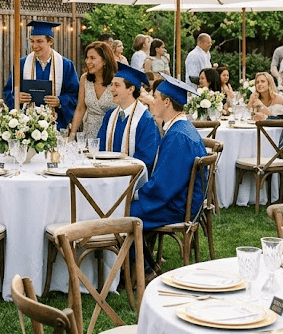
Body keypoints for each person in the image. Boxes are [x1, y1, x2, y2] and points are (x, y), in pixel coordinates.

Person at [130, 74, 207, 231]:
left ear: (167, 102)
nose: (152, 100)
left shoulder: (178, 136)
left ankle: (134, 255)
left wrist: (134, 193)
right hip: (178, 199)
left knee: (122, 213)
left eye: (155, 97)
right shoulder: (180, 128)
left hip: (177, 206)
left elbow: (164, 186)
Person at [3, 20, 79, 130]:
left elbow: (74, 94)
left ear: (50, 41)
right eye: (32, 41)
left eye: (39, 41)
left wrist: (60, 101)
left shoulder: (65, 65)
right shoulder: (22, 64)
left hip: (56, 124)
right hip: (26, 126)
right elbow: (8, 91)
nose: (34, 46)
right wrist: (17, 98)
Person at [96, 64, 159, 172]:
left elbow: (145, 158)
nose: (111, 89)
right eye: (111, 85)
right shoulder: (109, 116)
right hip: (105, 175)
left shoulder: (145, 120)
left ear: (131, 89)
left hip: (132, 181)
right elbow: (100, 147)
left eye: (116, 85)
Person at [68, 41, 118, 138]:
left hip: (112, 133)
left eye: (92, 58)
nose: (88, 62)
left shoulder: (117, 80)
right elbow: (80, 108)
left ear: (104, 61)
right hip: (90, 134)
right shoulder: (85, 79)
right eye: (87, 58)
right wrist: (72, 134)